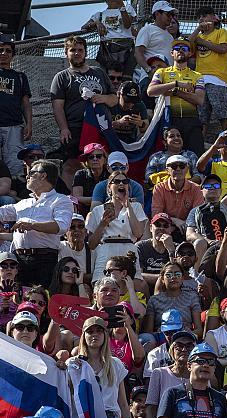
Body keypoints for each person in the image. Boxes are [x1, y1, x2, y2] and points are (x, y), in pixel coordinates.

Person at [51, 35, 117, 186]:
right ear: (66, 52)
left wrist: (104, 99)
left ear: (86, 52)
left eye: (80, 50)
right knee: (72, 164)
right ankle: (72, 200)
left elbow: (114, 99)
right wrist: (63, 129)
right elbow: (57, 106)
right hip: (74, 128)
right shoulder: (61, 77)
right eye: (72, 50)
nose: (77, 53)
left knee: (103, 162)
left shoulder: (99, 72)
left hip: (101, 127)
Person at [0, 159, 73, 287]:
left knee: (41, 300)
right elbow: (2, 212)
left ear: (43, 175)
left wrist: (31, 225)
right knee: (19, 300)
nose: (27, 176)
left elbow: (60, 227)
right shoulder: (24, 203)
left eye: (31, 173)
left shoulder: (61, 200)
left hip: (44, 260)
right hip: (19, 259)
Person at [72, 316, 136, 418]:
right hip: (82, 417)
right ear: (83, 335)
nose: (94, 335)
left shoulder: (116, 364)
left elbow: (123, 404)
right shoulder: (74, 364)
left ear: (106, 335)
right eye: (90, 331)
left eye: (99, 331)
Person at [156, 343, 227, 418]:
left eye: (211, 362)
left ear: (214, 368)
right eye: (200, 361)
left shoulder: (220, 398)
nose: (206, 365)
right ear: (189, 366)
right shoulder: (173, 393)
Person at [148, 37, 206, 158]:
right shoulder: (162, 72)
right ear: (171, 53)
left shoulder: (197, 76)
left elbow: (199, 100)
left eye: (184, 48)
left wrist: (176, 92)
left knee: (196, 156)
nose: (180, 51)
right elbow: (151, 91)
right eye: (176, 48)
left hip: (191, 120)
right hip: (169, 120)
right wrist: (176, 84)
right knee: (169, 157)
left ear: (190, 53)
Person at [86, 170, 147, 282]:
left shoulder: (136, 207)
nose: (121, 184)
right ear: (109, 187)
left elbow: (138, 233)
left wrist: (128, 206)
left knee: (133, 283)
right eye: (117, 181)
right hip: (106, 249)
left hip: (128, 249)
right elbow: (92, 244)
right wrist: (103, 224)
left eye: (125, 181)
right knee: (100, 283)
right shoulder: (98, 210)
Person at [189, 6, 227, 140]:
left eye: (205, 15)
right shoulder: (197, 36)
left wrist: (202, 42)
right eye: (199, 17)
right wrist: (197, 31)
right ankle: (200, 142)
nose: (201, 18)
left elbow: (223, 49)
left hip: (218, 78)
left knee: (221, 112)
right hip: (200, 79)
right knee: (202, 115)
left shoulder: (221, 32)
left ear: (213, 17)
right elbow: (187, 47)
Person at [145, 329, 196, 418]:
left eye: (189, 346)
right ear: (171, 350)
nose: (184, 349)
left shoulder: (200, 377)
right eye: (179, 346)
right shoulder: (159, 373)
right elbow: (151, 408)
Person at [0, 34, 32, 177]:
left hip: (14, 125)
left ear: (13, 55)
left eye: (8, 50)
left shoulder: (20, 76)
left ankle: (14, 193)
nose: (4, 53)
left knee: (15, 165)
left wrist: (29, 124)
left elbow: (26, 103)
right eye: (1, 50)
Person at [144, 262, 202, 338]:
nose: (173, 277)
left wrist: (189, 334)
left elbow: (199, 330)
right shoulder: (154, 300)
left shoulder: (192, 297)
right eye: (169, 275)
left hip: (185, 339)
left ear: (183, 278)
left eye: (177, 274)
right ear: (162, 279)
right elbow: (149, 331)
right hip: (161, 338)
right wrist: (160, 335)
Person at [151, 155, 204, 227]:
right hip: (165, 226)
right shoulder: (159, 188)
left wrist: (184, 225)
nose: (178, 169)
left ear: (187, 169)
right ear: (167, 170)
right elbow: (156, 214)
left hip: (189, 227)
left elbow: (197, 215)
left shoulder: (196, 189)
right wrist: (174, 221)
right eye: (174, 166)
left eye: (182, 166)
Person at [134, 1, 176, 80]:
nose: (171, 17)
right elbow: (138, 53)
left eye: (172, 14)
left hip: (166, 78)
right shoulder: (147, 29)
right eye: (168, 14)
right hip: (150, 78)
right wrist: (149, 70)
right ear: (157, 14)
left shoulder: (170, 36)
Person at [73, 143, 110, 214]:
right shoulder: (80, 174)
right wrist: (98, 199)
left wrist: (90, 200)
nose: (95, 159)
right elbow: (77, 197)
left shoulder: (110, 174)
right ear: (86, 161)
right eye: (91, 157)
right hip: (84, 210)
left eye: (99, 156)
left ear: (105, 159)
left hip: (107, 209)